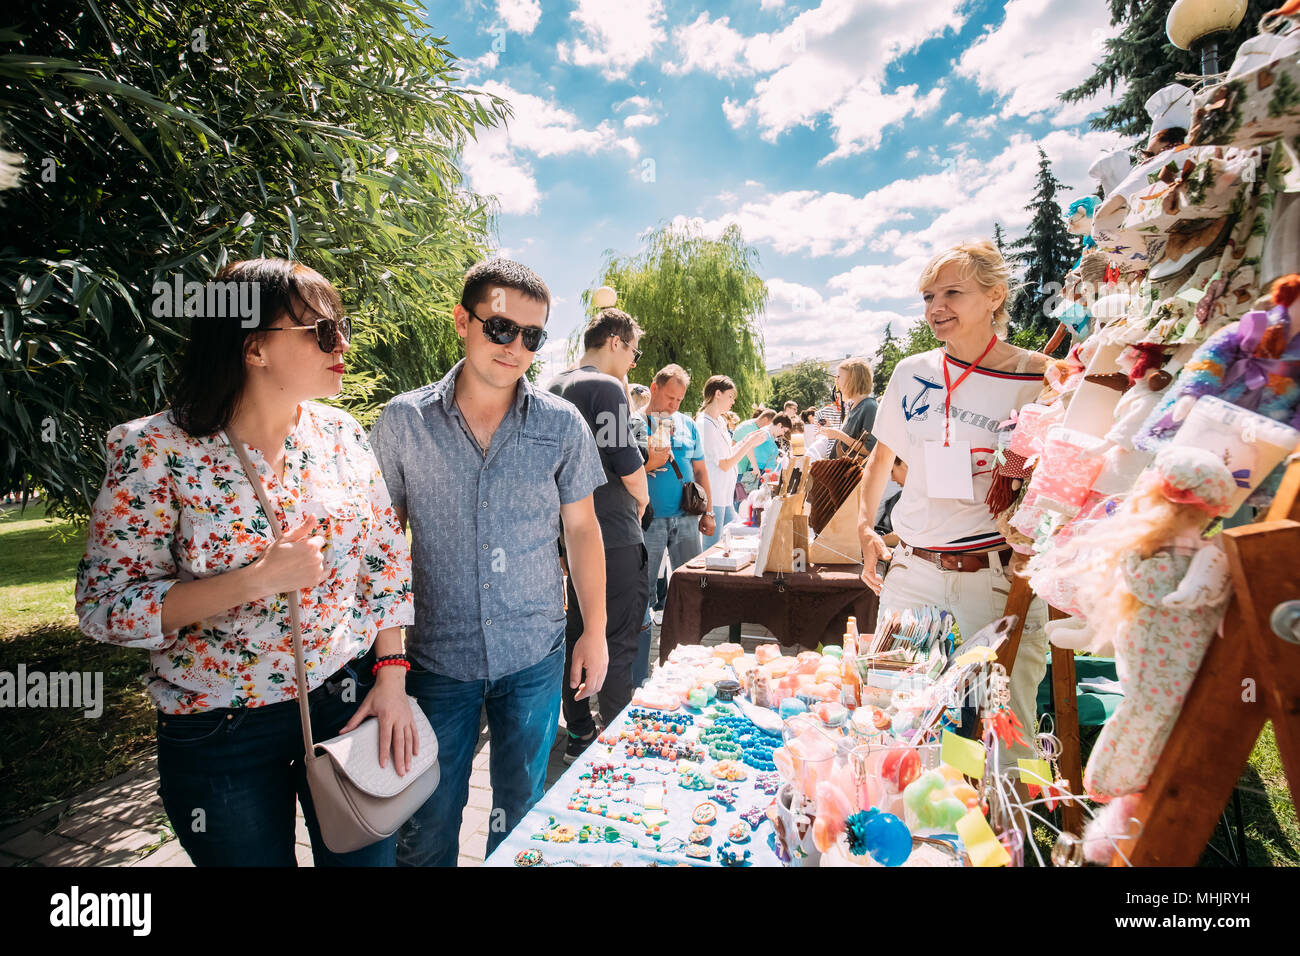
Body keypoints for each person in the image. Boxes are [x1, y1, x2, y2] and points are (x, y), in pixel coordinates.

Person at [75, 259, 417, 867]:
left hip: (346, 702)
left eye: (341, 326)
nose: (342, 344)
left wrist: (390, 676)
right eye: (320, 331)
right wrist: (256, 580)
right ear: (254, 347)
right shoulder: (155, 449)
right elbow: (104, 608)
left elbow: (384, 560)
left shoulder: (341, 434)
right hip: (219, 729)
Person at [369, 258, 609, 866]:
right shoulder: (404, 422)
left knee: (523, 811)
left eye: (533, 336)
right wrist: (389, 664)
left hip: (533, 653)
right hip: (434, 661)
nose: (516, 348)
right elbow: (378, 549)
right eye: (501, 328)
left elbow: (582, 530)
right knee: (425, 828)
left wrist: (597, 632)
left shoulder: (562, 425)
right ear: (462, 321)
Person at [857, 239, 1049, 762]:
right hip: (912, 573)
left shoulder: (1037, 376)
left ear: (994, 296)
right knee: (899, 723)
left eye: (952, 293)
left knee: (1001, 739)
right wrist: (866, 528)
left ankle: (1001, 844)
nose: (934, 308)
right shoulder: (910, 371)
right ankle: (910, 837)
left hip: (993, 580)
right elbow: (881, 458)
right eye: (927, 296)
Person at [548, 307, 649, 762]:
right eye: (633, 350)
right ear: (614, 341)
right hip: (613, 532)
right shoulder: (606, 387)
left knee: (578, 632)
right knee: (618, 640)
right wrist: (643, 499)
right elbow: (628, 464)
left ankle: (580, 732)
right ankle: (616, 743)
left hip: (567, 535)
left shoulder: (549, 385)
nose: (633, 361)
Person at [643, 364, 714, 625]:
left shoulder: (688, 424)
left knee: (690, 581)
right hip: (648, 521)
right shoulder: (635, 423)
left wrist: (709, 512)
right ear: (654, 388)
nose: (674, 405)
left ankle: (689, 630)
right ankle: (643, 636)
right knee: (644, 587)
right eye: (669, 397)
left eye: (679, 399)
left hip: (686, 517)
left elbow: (701, 472)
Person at [695, 375, 768, 550]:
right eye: (731, 396)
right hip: (715, 494)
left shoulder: (719, 421)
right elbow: (725, 463)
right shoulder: (704, 423)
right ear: (718, 394)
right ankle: (707, 578)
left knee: (734, 536)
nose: (733, 401)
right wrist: (749, 443)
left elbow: (729, 454)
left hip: (725, 494)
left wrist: (746, 440)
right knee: (712, 547)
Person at [820, 358, 877, 460]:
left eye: (838, 377)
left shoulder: (870, 407)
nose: (836, 382)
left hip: (855, 474)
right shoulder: (853, 406)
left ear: (852, 379)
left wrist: (838, 435)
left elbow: (870, 449)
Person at [734, 409, 792, 492]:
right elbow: (748, 446)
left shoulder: (769, 434)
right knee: (749, 502)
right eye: (784, 430)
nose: (783, 434)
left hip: (762, 475)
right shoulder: (765, 433)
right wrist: (755, 468)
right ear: (779, 425)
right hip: (757, 475)